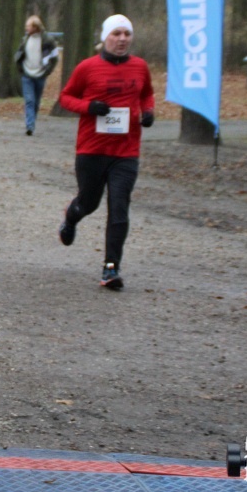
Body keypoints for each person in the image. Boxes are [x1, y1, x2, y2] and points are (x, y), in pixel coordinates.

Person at [57, 14, 155, 290]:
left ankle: (111, 267)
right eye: (116, 34)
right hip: (92, 149)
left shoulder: (140, 67)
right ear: (105, 37)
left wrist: (148, 112)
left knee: (119, 206)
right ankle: (71, 216)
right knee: (89, 203)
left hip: (126, 151)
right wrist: (89, 107)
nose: (122, 39)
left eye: (127, 34)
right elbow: (65, 98)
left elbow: (147, 94)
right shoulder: (87, 68)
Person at [14, 15, 59, 136]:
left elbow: (55, 57)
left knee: (36, 102)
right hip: (26, 74)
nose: (26, 28)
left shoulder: (48, 40)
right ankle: (30, 126)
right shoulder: (25, 40)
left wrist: (48, 71)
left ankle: (32, 121)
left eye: (28, 26)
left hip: (40, 75)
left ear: (35, 27)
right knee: (29, 100)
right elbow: (19, 54)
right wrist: (19, 67)